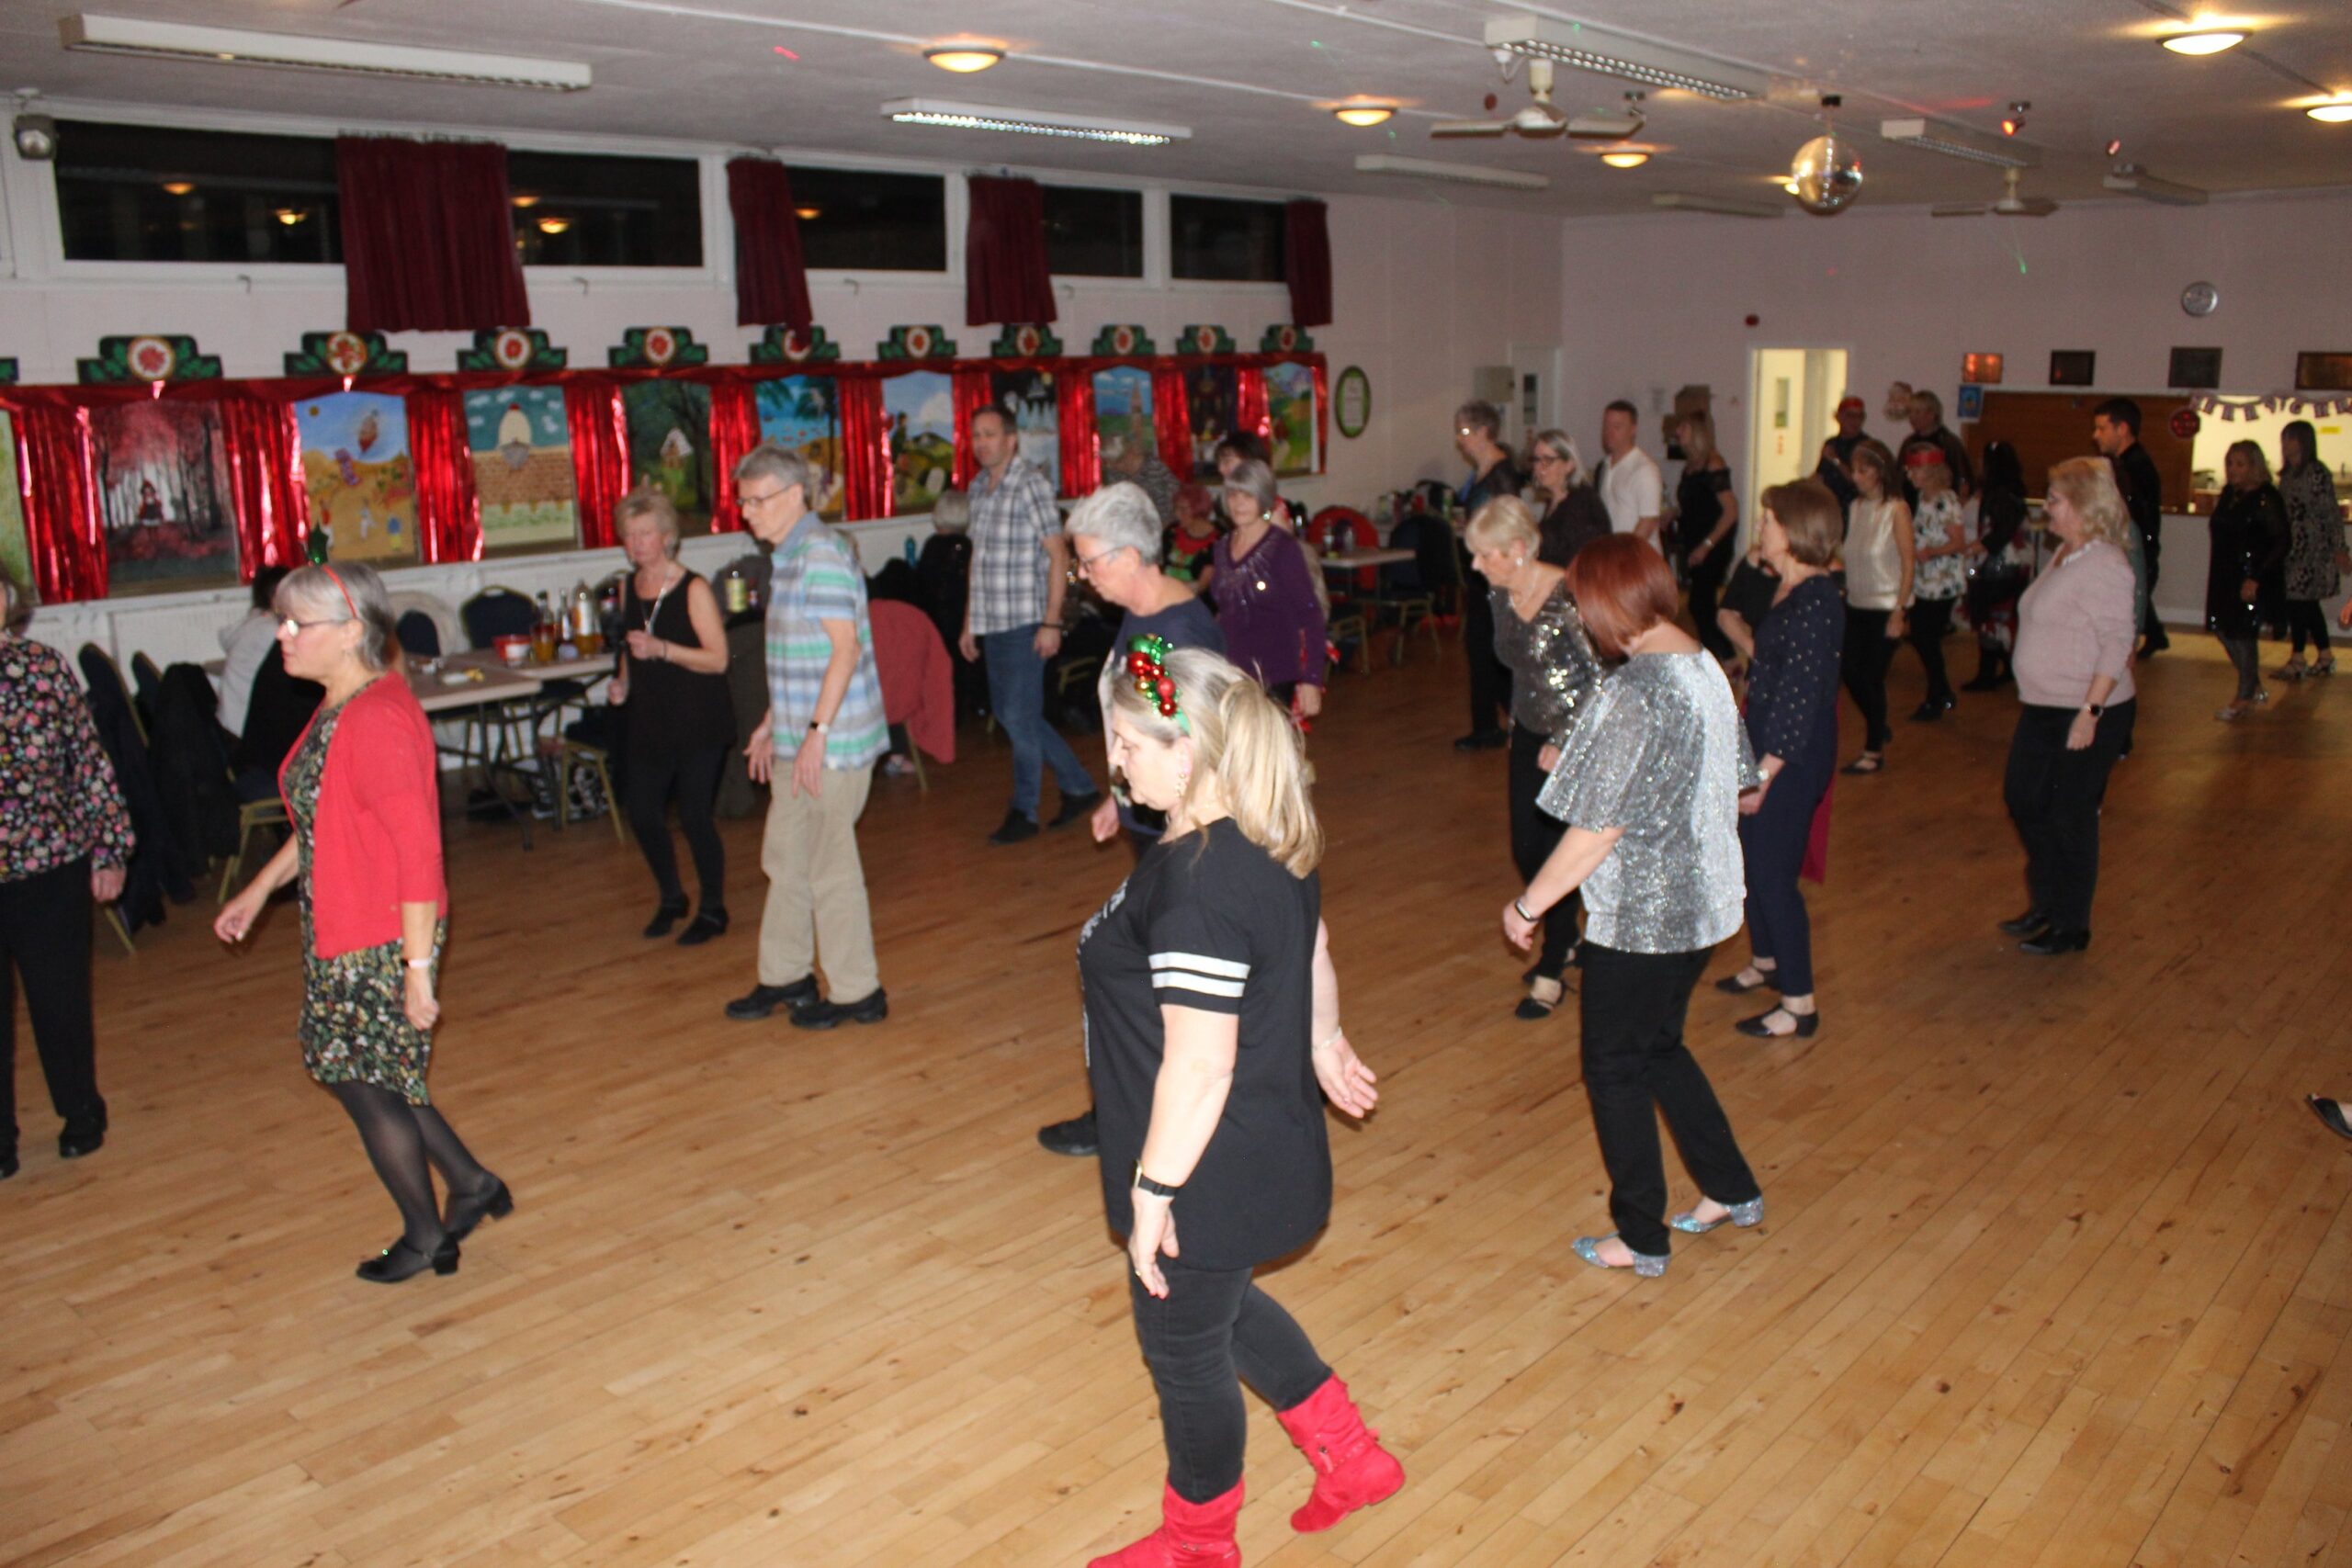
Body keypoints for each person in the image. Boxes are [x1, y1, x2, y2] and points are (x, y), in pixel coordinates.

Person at [1077, 642, 1398, 1567]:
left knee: (1184, 1354)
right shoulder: (1260, 833)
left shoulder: (1198, 888)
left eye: (1126, 742)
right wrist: (1323, 1038)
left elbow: (1201, 1065)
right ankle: (1353, 1459)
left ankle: (1197, 1546)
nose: (1115, 762)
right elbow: (1312, 941)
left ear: (1184, 754)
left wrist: (1151, 1192)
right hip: (1260, 1147)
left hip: (1204, 1167)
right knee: (1219, 1307)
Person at [213, 562, 508, 1281]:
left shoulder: (374, 718)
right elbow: (325, 818)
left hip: (380, 933)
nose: (282, 635)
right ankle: (472, 1184)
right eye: (281, 619)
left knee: (362, 1080)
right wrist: (259, 888)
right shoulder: (343, 701)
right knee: (379, 1075)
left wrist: (416, 972)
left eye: (297, 623)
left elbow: (419, 855)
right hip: (349, 920)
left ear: (351, 632)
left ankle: (427, 1236)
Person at [1501, 536, 1765, 1278]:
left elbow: (1597, 828)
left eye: (1585, 608)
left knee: (1614, 1065)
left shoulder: (1634, 691)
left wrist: (1529, 905)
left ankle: (1641, 1235)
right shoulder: (1705, 666)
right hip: (1708, 905)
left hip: (1645, 919)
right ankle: (1730, 1186)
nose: (1583, 624)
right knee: (1658, 1046)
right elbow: (1741, 786)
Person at [1035, 481, 1228, 1162]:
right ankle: (1130, 1111)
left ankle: (1132, 1117)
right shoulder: (1143, 615)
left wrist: (1168, 823)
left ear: (1128, 555)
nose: (1083, 576)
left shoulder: (1180, 633)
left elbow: (1199, 751)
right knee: (1145, 976)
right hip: (1156, 825)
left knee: (1137, 973)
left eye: (1089, 562)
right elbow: (1146, 728)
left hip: (1187, 836)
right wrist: (1117, 794)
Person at [722, 445, 892, 1030]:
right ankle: (786, 974)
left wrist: (817, 733)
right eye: (743, 501)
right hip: (801, 738)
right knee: (785, 859)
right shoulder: (788, 557)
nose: (747, 512)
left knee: (829, 867)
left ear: (795, 495)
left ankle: (858, 991)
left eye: (757, 500)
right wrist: (774, 723)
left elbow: (845, 650)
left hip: (833, 745)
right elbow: (803, 655)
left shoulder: (819, 554)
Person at [1, 574, 132, 1181]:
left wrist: (110, 848)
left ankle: (81, 1112)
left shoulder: (42, 667)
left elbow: (88, 760)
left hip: (49, 864)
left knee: (59, 1001)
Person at [1467, 496, 1603, 1021]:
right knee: (1525, 847)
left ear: (1518, 549)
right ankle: (1567, 937)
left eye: (1485, 554)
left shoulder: (1568, 595)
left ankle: (1552, 965)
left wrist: (1566, 737)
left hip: (1576, 738)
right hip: (1527, 734)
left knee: (1558, 851)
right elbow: (1519, 669)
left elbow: (1602, 678)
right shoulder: (1499, 593)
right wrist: (1518, 727)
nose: (1476, 564)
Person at [2000, 457, 2140, 956]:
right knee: (2024, 799)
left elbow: (2118, 641)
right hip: (2044, 705)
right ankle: (2048, 902)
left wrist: (2090, 712)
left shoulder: (2106, 564)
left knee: (2069, 814)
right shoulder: (2066, 553)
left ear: (2083, 506)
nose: (2048, 507)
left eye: (2056, 499)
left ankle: (2070, 924)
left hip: (2087, 709)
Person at [1722, 481, 1843, 1038]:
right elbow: (1744, 624)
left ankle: (1799, 1004)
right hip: (1768, 743)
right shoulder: (1789, 586)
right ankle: (1766, 961)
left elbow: (1800, 699)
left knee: (1772, 875)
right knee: (1751, 861)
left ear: (1794, 531)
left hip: (1789, 756)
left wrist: (1763, 776)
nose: (1760, 527)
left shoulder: (1816, 601)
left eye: (1768, 520)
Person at [960, 406, 1099, 845]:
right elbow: (978, 562)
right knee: (1013, 716)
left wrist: (1051, 622)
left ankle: (1024, 810)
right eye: (976, 435)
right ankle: (1079, 787)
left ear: (1011, 439)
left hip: (1026, 619)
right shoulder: (977, 488)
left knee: (1019, 718)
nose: (982, 443)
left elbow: (1060, 555)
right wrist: (969, 623)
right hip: (993, 620)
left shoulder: (1030, 484)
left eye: (990, 434)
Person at [607, 488, 733, 944]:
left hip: (700, 718)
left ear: (666, 536)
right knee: (642, 813)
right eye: (629, 535)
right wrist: (623, 682)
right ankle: (672, 897)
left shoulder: (693, 588)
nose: (636, 543)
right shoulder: (629, 585)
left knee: (695, 817)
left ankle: (714, 909)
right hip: (651, 718)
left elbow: (718, 659)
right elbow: (631, 647)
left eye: (645, 534)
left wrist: (663, 649)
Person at [1210, 458, 1327, 718]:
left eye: (1248, 496)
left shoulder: (1283, 548)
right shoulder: (1221, 547)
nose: (1239, 503)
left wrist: (1312, 678)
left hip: (1274, 674)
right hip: (1231, 672)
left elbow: (1311, 614)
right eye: (1233, 495)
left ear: (1263, 498)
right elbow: (1223, 612)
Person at [1452, 400, 1524, 750]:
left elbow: (1509, 524)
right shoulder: (1480, 472)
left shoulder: (1502, 474)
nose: (1460, 438)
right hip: (1479, 570)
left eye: (1466, 431)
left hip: (1497, 572)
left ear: (1485, 431)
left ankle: (1517, 721)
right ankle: (1487, 726)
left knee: (1493, 649)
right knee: (1478, 647)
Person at [1839, 441, 1914, 774]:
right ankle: (1877, 721)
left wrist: (1900, 610)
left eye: (1863, 470)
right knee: (1850, 673)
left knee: (1870, 677)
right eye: (1854, 470)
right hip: (1856, 603)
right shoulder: (1855, 507)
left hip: (1886, 606)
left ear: (1880, 472)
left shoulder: (1896, 510)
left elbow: (1909, 564)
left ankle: (1873, 751)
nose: (1855, 477)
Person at [2206, 440, 2290, 722]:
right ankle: (2253, 686)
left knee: (2244, 633)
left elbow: (2281, 541)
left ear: (2254, 466)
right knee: (2222, 628)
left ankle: (2244, 696)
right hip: (2224, 573)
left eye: (2240, 464)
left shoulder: (2267, 497)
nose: (2233, 470)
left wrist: (2256, 578)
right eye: (2230, 463)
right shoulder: (2230, 494)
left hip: (2252, 574)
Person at [2092, 397, 2168, 657]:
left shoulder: (2134, 468)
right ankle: (2154, 636)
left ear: (2122, 429)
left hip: (2133, 550)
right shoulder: (2128, 464)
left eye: (2102, 428)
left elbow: (2132, 517)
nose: (2096, 435)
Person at [1900, 447, 1968, 721]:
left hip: (1942, 582)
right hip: (1924, 580)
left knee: (1925, 637)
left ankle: (1937, 696)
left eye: (1915, 470)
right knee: (1922, 637)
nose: (1910, 475)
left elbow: (1958, 542)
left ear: (1931, 472)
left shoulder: (1946, 501)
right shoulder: (1922, 498)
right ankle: (1941, 692)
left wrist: (1931, 552)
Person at [2275, 421, 2345, 680]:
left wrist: (2339, 548)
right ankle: (2323, 655)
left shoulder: (2316, 472)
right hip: (2292, 549)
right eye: (2284, 438)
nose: (2286, 444)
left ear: (2304, 441)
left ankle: (2299, 657)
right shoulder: (2288, 475)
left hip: (2313, 549)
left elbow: (2331, 513)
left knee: (2300, 603)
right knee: (2303, 604)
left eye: (2291, 438)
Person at [1963, 440, 2033, 691]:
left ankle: (1987, 674)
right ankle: (2005, 667)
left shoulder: (2000, 495)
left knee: (1990, 616)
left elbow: (2003, 529)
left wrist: (1981, 546)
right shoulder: (2010, 491)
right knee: (1998, 618)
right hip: (2009, 565)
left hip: (2000, 567)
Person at [1676, 411, 1740, 660]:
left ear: (1698, 433)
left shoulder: (1714, 464)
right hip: (1696, 541)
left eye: (1684, 427)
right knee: (1701, 605)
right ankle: (1720, 657)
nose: (1678, 432)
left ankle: (1726, 657)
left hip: (1713, 544)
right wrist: (1673, 513)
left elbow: (1730, 511)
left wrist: (1706, 546)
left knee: (1700, 604)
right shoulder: (1691, 466)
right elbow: (1697, 504)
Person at [216, 565, 292, 739]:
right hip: (246, 730)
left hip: (228, 725)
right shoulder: (271, 631)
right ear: (277, 598)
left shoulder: (250, 624)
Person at [1526, 428, 1611, 567]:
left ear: (1569, 465)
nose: (1539, 468)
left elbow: (1581, 562)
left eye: (1548, 460)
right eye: (1536, 459)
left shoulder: (1582, 503)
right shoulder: (1554, 499)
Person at [1596, 399, 1665, 550]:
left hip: (1638, 557)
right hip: (1612, 552)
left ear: (1633, 429)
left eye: (1617, 427)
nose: (1609, 432)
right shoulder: (1604, 466)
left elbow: (1648, 522)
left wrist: (1624, 555)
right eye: (1606, 426)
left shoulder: (1644, 469)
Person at [1897, 389, 1973, 505]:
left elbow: (1963, 476)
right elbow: (1899, 474)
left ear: (1931, 414)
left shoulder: (1949, 443)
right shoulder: (1908, 443)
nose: (1912, 417)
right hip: (1910, 502)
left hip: (1940, 504)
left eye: (1917, 412)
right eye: (1910, 412)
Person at [1102, 433, 1181, 528]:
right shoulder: (1115, 474)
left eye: (1116, 462)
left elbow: (1177, 499)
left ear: (1129, 453)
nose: (1113, 467)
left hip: (1164, 525)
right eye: (1109, 464)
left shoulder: (1155, 467)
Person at [1814, 395, 1869, 512]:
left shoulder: (1866, 446)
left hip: (1854, 508)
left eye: (1859, 416)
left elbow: (1858, 479)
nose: (1855, 421)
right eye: (1850, 416)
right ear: (1839, 417)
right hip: (1830, 506)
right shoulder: (1831, 443)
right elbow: (1820, 475)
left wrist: (1835, 460)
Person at [1163, 482, 1222, 589]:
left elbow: (1204, 584)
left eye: (1183, 509)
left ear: (1199, 509)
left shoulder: (1219, 540)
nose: (1177, 514)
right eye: (1176, 508)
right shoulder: (1171, 532)